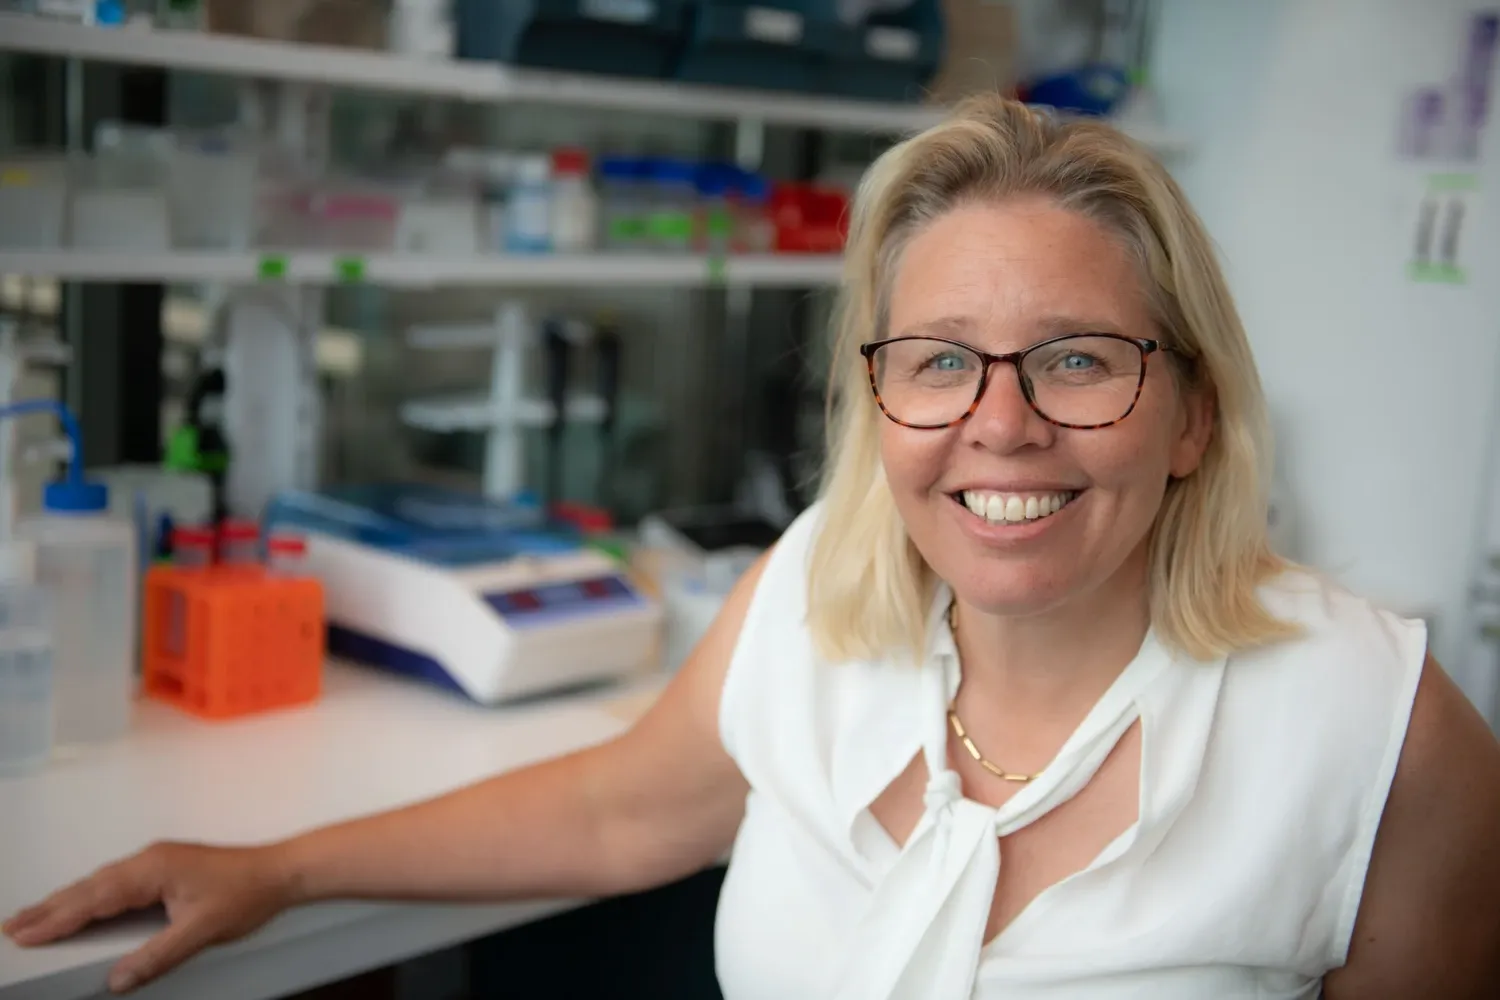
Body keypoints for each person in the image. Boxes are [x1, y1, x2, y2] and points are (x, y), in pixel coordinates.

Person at [7, 95, 1500, 999]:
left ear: (1190, 412)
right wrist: (274, 870)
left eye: (1078, 359)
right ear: (877, 394)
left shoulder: (1380, 730)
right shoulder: (815, 599)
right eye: (937, 359)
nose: (1001, 424)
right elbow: (613, 813)